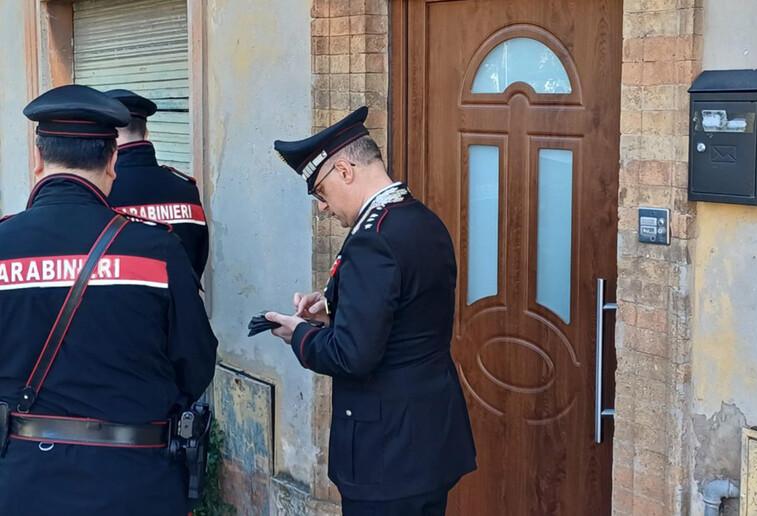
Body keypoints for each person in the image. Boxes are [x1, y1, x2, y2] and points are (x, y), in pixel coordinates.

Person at [0, 84, 217, 516]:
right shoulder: (157, 250)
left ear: (38, 158)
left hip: (22, 481)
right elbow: (195, 363)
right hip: (136, 482)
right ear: (113, 160)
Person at [267, 106, 477, 516]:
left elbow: (353, 355)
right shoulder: (422, 220)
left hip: (386, 454)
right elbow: (408, 316)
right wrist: (335, 311)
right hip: (429, 442)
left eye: (321, 192)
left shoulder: (373, 239)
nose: (323, 207)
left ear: (345, 171)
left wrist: (300, 334)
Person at [104, 89, 209, 279]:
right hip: (185, 305)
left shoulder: (101, 190)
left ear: (105, 138)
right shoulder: (185, 189)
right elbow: (199, 257)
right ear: (147, 133)